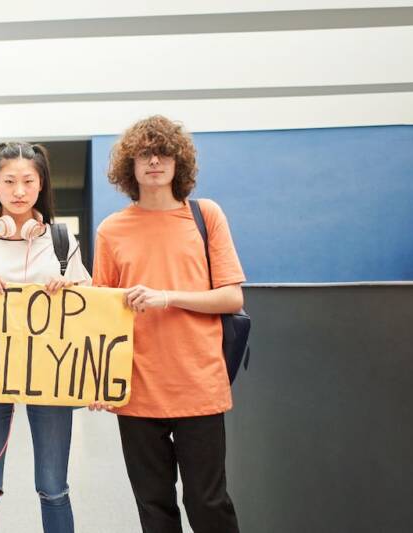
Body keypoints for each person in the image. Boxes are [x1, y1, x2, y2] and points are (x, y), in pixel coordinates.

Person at [91, 115, 245, 533]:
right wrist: (98, 382)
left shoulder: (205, 215)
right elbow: (100, 313)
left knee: (209, 502)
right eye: (144, 153)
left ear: (179, 163)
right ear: (131, 166)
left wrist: (166, 297)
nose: (154, 161)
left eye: (163, 153)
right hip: (136, 387)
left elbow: (232, 297)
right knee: (154, 508)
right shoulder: (111, 230)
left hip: (198, 384)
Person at [0, 142, 91, 533]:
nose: (19, 191)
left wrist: (70, 286)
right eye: (9, 181)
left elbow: (88, 313)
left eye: (28, 181)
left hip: (50, 376)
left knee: (53, 487)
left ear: (41, 184)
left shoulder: (62, 242)